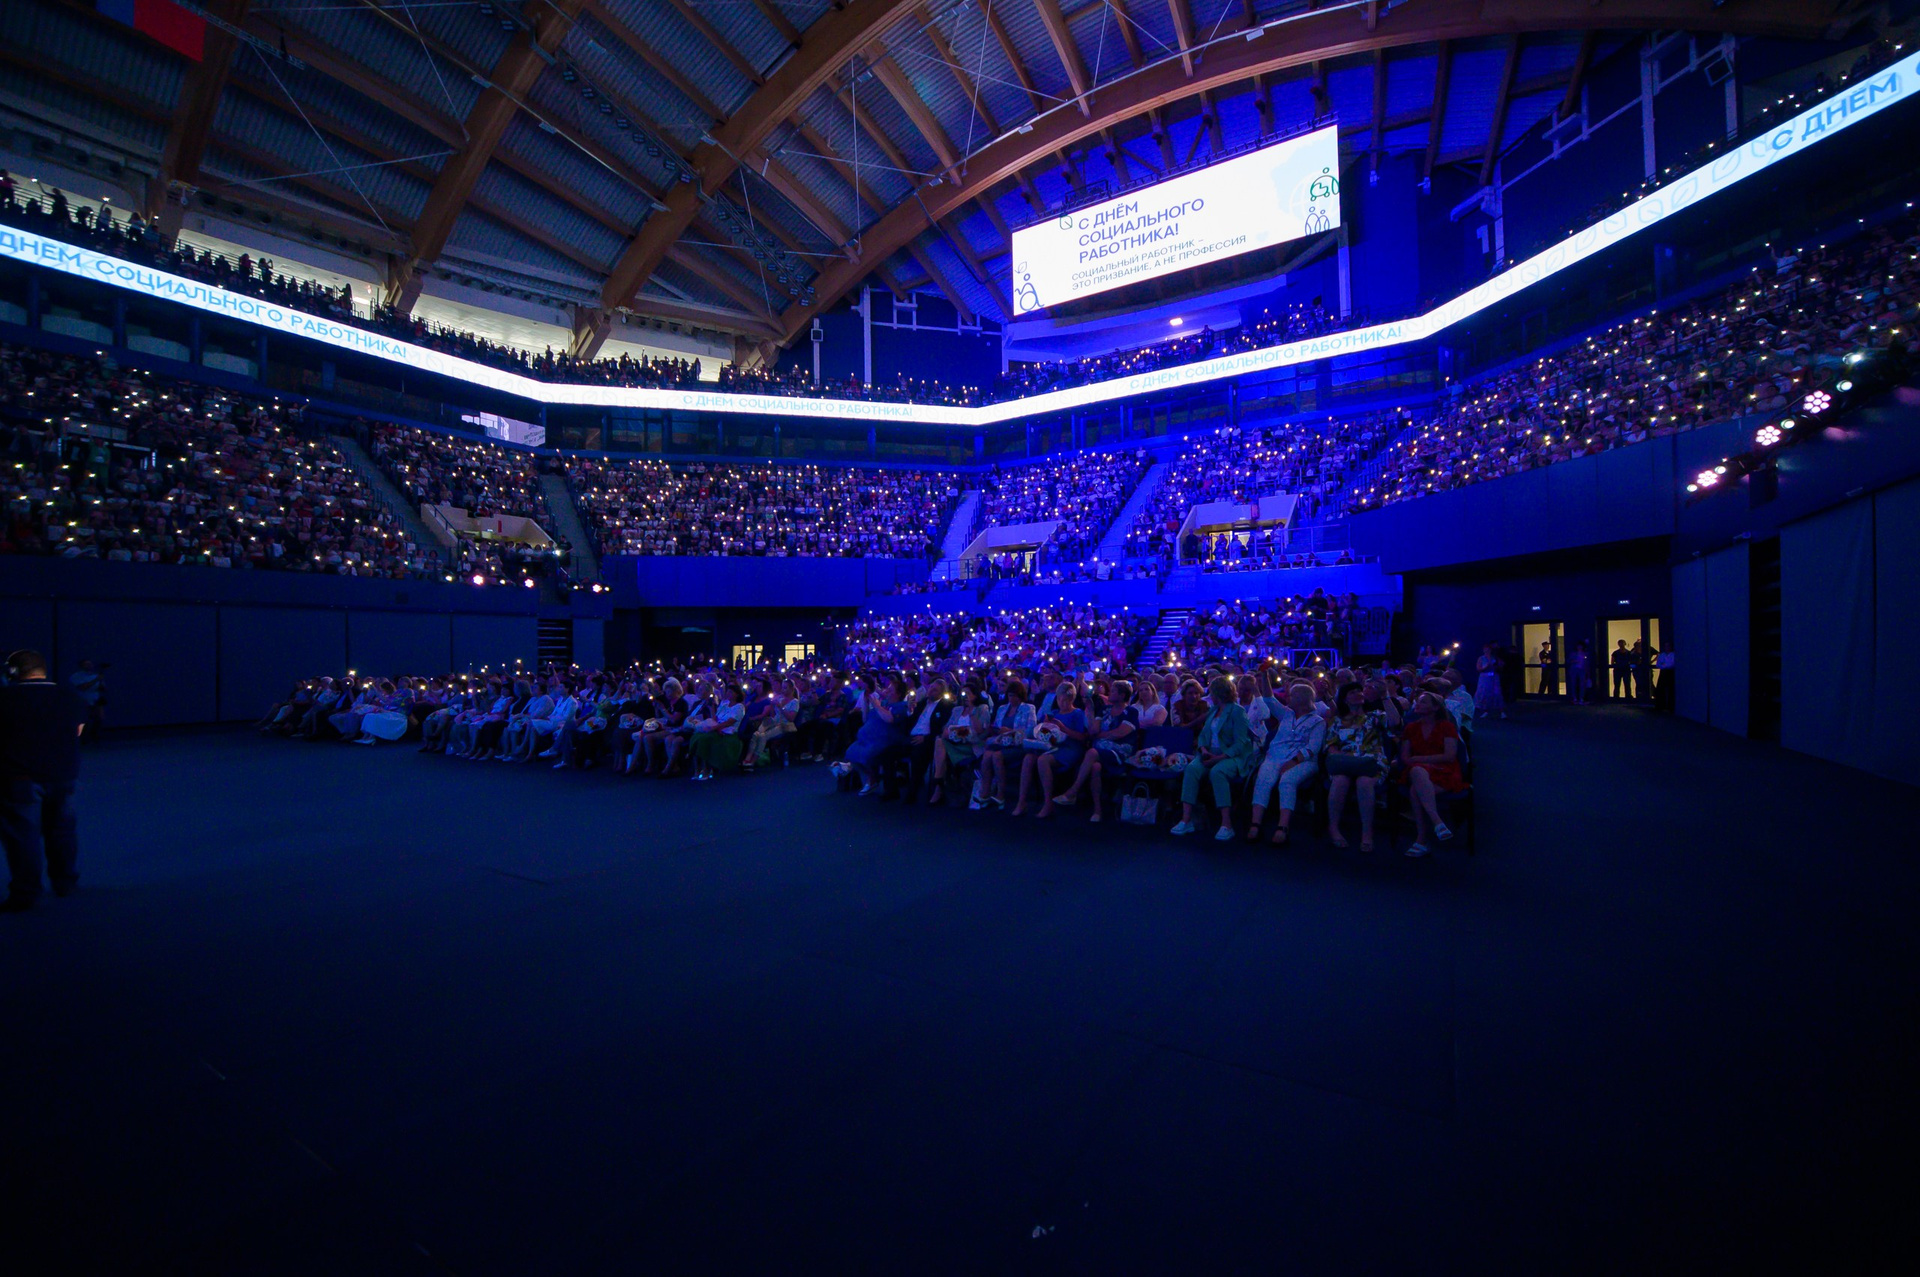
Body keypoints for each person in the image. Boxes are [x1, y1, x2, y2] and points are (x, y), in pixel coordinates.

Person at [0, 650, 86, 911]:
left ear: (13, 672)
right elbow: (78, 731)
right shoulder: (69, 695)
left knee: (23, 836)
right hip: (64, 775)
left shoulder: (5, 697)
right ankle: (64, 882)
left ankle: (26, 892)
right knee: (62, 831)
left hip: (20, 777)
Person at [1171, 676, 1259, 841]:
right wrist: (1204, 750)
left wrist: (1218, 758)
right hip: (1210, 753)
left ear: (1218, 692)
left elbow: (1240, 743)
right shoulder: (1213, 710)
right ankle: (1186, 819)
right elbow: (1204, 735)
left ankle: (1226, 824)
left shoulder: (1238, 712)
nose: (1209, 695)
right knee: (1191, 769)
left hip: (1231, 755)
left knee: (1217, 772)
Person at [1246, 683, 1325, 846]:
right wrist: (1265, 677)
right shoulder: (1286, 714)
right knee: (1264, 779)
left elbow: (1313, 747)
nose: (1287, 698)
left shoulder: (1318, 721)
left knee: (1287, 781)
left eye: (1291, 695)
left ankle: (1283, 826)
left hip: (1304, 760)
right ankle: (1256, 823)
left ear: (1301, 699)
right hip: (1276, 756)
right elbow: (1269, 699)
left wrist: (1293, 761)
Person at [1399, 691, 1463, 859]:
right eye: (1417, 702)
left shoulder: (1447, 727)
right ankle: (1437, 822)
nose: (1417, 705)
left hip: (1444, 771)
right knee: (1417, 771)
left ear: (1435, 707)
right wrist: (1418, 762)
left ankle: (1421, 839)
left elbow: (1449, 756)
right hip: (1418, 772)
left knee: (1415, 790)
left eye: (1423, 702)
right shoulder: (1411, 728)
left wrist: (1420, 759)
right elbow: (1405, 757)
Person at [69, 659, 105, 743]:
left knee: (99, 718)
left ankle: (95, 736)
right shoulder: (76, 676)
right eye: (86, 664)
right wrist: (96, 679)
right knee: (84, 720)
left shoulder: (95, 675)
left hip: (96, 701)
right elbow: (82, 687)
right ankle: (82, 738)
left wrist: (101, 682)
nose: (89, 666)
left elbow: (102, 689)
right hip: (83, 701)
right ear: (81, 666)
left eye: (90, 664)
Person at [1475, 643, 1506, 719]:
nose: (1487, 651)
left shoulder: (1494, 658)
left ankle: (1502, 711)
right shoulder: (1481, 658)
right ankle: (1486, 710)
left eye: (1488, 649)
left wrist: (1499, 665)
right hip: (1484, 678)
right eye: (1485, 649)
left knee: (1497, 693)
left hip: (1494, 677)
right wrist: (1487, 666)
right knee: (1485, 693)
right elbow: (1479, 669)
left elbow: (1501, 665)